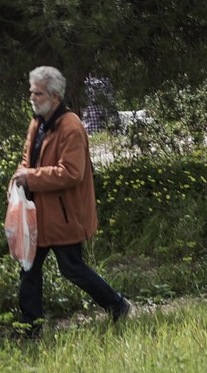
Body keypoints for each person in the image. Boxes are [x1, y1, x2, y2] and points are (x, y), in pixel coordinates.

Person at [13, 65, 129, 335]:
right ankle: (30, 327)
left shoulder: (71, 126)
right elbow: (27, 160)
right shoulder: (37, 123)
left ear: (55, 97)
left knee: (72, 269)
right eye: (31, 92)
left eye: (38, 93)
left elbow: (71, 173)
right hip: (37, 214)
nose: (32, 98)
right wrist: (20, 174)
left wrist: (30, 177)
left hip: (64, 216)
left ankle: (117, 304)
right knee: (28, 267)